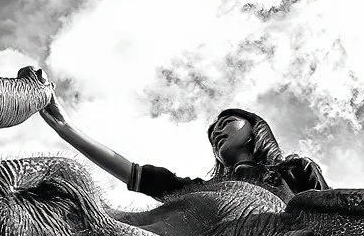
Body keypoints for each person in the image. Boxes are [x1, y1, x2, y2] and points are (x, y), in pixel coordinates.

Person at [20, 67, 329, 203]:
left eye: (227, 122)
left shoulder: (296, 170)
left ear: (255, 128)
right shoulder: (203, 193)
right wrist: (65, 127)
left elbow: (333, 217)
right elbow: (131, 172)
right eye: (212, 133)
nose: (217, 132)